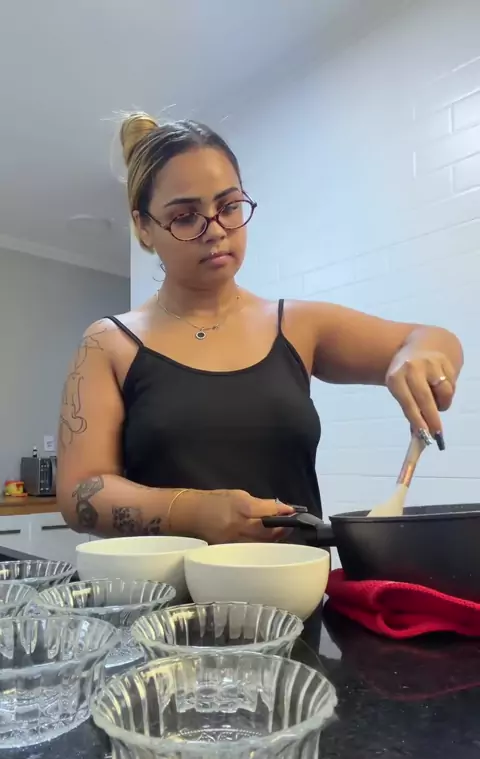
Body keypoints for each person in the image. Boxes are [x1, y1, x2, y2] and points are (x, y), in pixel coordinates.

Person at [57, 113, 463, 545]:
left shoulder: (297, 327)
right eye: (186, 217)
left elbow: (431, 338)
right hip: (161, 590)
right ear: (143, 227)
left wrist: (420, 357)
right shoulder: (109, 343)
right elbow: (79, 492)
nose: (215, 231)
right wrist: (193, 512)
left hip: (293, 586)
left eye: (229, 207)